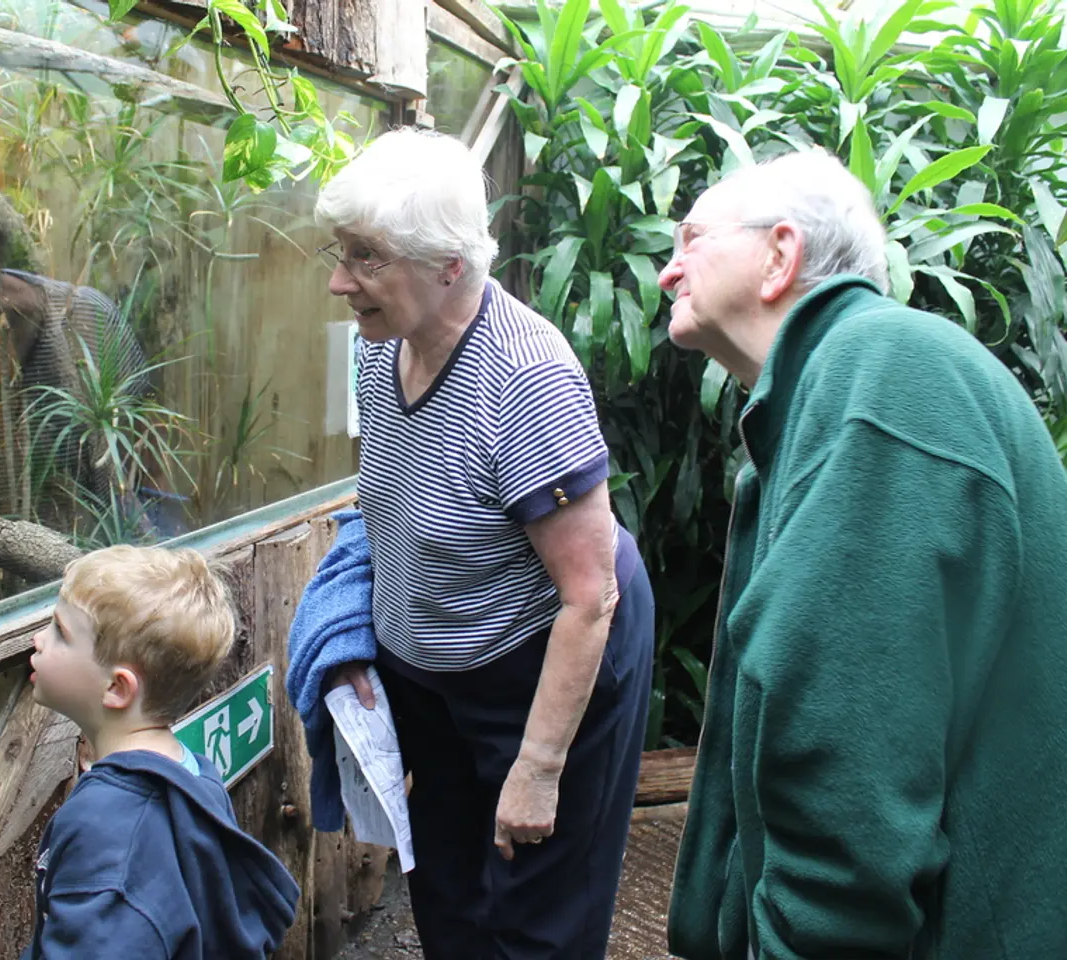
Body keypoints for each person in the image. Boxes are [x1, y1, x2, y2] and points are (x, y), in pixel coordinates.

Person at [660, 149, 1067, 959]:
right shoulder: (839, 384)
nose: (669, 271)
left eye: (692, 239)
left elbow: (848, 780)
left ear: (779, 256)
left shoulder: (880, 375)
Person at [312, 127, 656, 959]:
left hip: (547, 655)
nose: (338, 281)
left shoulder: (525, 380)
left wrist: (538, 766)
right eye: (340, 252)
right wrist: (353, 639)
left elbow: (590, 595)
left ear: (449, 266)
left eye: (365, 257)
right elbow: (391, 509)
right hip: (436, 669)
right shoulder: (382, 346)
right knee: (446, 889)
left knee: (537, 904)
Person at [21, 545, 299, 959]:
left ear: (117, 687)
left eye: (60, 632)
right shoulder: (194, 774)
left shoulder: (105, 831)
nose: (38, 640)